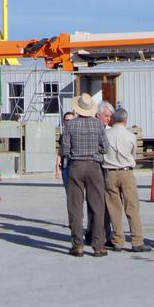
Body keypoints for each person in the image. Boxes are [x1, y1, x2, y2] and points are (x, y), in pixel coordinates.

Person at [59, 92, 109, 257]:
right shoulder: (98, 125)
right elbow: (105, 148)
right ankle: (98, 245)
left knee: (75, 207)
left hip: (76, 166)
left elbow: (65, 149)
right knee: (97, 206)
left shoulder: (70, 125)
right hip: (94, 166)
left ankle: (77, 245)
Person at [103, 107, 150, 252]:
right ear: (125, 119)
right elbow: (133, 154)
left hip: (109, 172)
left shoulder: (105, 134)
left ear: (112, 119)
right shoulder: (131, 136)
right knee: (132, 207)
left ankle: (118, 240)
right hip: (127, 171)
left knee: (114, 208)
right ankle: (137, 240)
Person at [97, 100, 115, 246]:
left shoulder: (110, 131)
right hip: (95, 169)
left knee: (107, 204)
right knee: (95, 203)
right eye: (106, 116)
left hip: (107, 169)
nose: (108, 119)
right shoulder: (94, 128)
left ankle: (106, 234)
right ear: (99, 114)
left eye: (110, 116)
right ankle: (96, 232)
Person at [55, 111, 75, 189]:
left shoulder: (78, 134)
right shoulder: (63, 136)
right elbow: (60, 152)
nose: (69, 122)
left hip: (76, 167)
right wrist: (57, 168)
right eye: (67, 120)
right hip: (65, 167)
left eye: (71, 120)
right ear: (64, 122)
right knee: (68, 191)